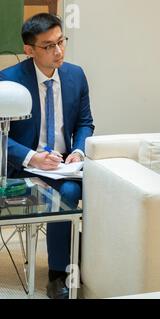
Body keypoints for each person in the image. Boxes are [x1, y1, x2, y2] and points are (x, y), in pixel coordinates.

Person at [0, 13, 94, 299]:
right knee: (67, 192)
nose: (59, 51)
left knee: (91, 186)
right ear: (29, 50)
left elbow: (85, 122)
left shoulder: (75, 75)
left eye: (61, 42)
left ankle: (86, 265)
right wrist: (32, 157)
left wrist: (78, 150)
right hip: (24, 167)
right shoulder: (8, 81)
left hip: (64, 164)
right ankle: (58, 275)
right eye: (49, 46)